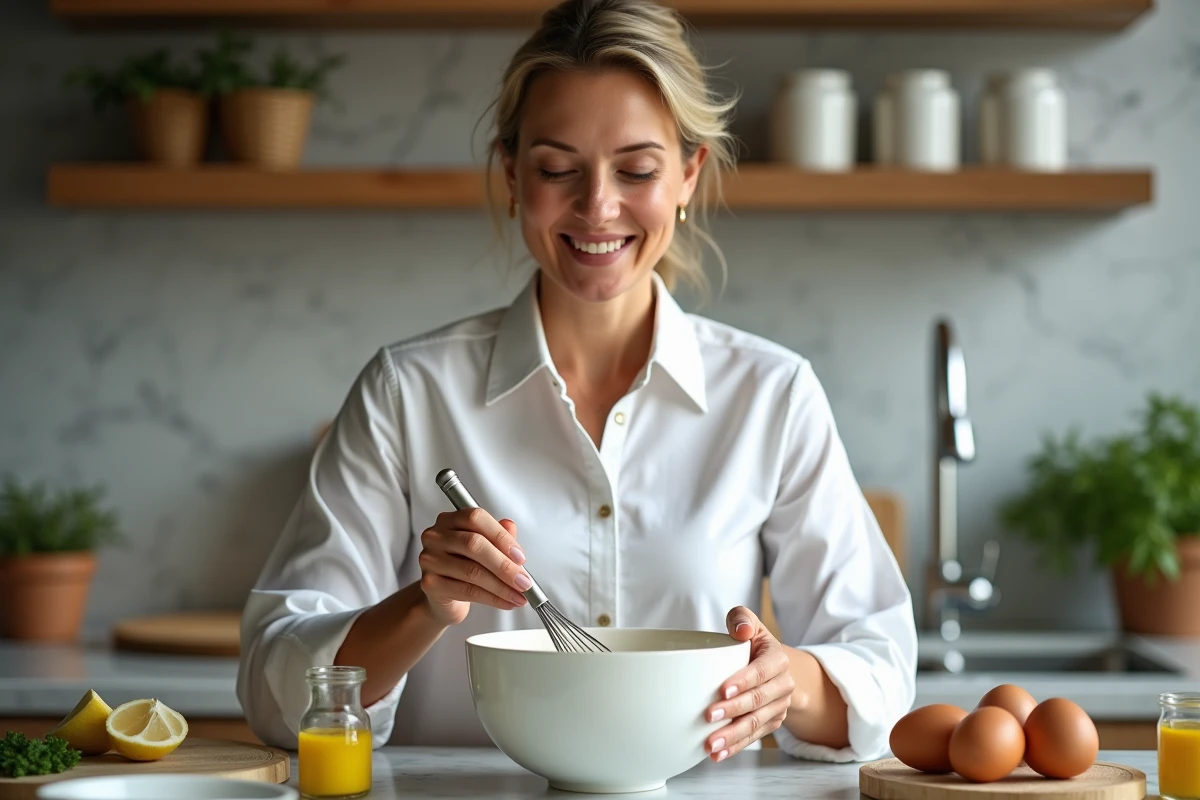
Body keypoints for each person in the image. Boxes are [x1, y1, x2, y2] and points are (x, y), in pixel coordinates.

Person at [237, 0, 916, 765]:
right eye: (558, 169)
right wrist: (423, 607)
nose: (598, 206)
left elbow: (881, 669)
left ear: (689, 173)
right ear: (512, 173)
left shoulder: (772, 395)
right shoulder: (405, 391)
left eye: (637, 169)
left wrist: (787, 681)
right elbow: (272, 688)